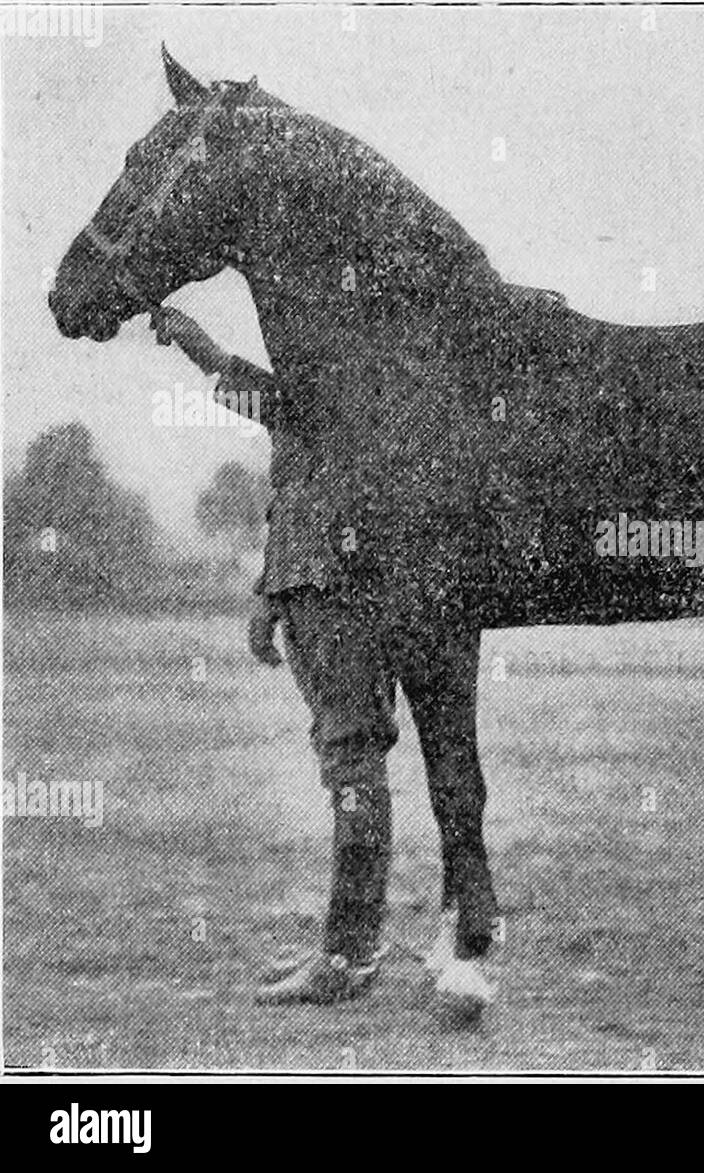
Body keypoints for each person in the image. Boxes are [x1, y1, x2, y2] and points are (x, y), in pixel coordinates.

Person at [153, 307, 397, 1004]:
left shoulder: (356, 382)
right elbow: (289, 477)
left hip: (339, 592)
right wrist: (270, 591)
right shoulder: (321, 383)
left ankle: (347, 959)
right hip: (307, 588)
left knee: (352, 756)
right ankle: (351, 945)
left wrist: (203, 349)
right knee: (342, 755)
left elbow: (271, 405)